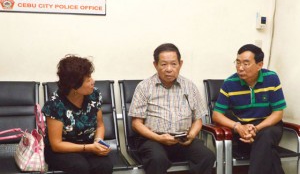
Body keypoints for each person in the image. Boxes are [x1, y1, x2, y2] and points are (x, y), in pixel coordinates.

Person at [128, 43, 215, 174]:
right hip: (153, 139)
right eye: (163, 64)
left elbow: (198, 119)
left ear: (180, 64)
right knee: (157, 159)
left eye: (174, 64)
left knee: (207, 156)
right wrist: (158, 138)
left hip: (182, 139)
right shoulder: (144, 87)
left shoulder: (190, 87)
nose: (169, 69)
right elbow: (136, 123)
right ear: (155, 65)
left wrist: (191, 136)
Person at [212, 44, 287, 174]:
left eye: (246, 64)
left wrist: (256, 129)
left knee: (265, 137)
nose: (240, 68)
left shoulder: (271, 78)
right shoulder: (230, 83)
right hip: (242, 130)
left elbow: (278, 113)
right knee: (269, 151)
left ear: (259, 65)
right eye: (238, 62)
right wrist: (238, 127)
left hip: (268, 126)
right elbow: (217, 115)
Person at [42, 55, 113, 174]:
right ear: (74, 86)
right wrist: (88, 148)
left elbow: (100, 125)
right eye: (88, 79)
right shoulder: (55, 104)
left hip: (89, 145)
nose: (93, 81)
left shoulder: (94, 95)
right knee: (80, 167)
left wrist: (98, 141)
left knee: (105, 165)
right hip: (62, 150)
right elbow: (56, 144)